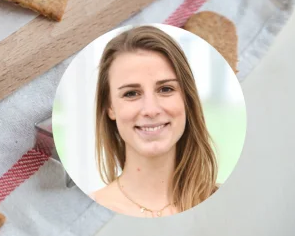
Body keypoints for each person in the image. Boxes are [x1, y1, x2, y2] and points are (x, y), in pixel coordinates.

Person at [90, 25, 217, 217]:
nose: (151, 110)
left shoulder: (230, 202)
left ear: (186, 99)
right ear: (110, 108)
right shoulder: (86, 217)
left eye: (165, 89)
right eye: (131, 93)